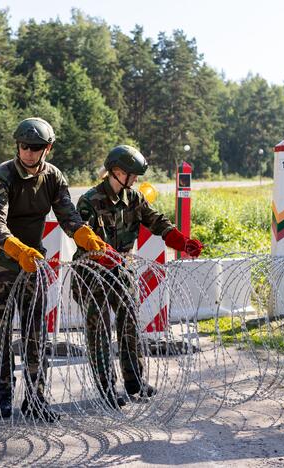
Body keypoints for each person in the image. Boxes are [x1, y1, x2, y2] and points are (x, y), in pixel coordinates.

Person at [0, 117, 107, 422]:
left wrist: (83, 234)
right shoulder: (2, 176)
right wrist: (16, 249)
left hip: (32, 265)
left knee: (35, 334)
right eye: (23, 146)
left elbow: (68, 215)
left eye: (35, 147)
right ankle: (4, 396)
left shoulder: (53, 177)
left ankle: (36, 399)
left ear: (47, 148)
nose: (28, 152)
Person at [73, 145, 203, 409]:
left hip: (120, 270)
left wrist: (179, 241)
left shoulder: (133, 198)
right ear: (117, 172)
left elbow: (155, 220)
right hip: (92, 273)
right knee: (98, 331)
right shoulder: (90, 200)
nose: (135, 180)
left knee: (129, 324)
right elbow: (84, 236)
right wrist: (103, 253)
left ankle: (134, 381)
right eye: (132, 174)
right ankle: (107, 387)